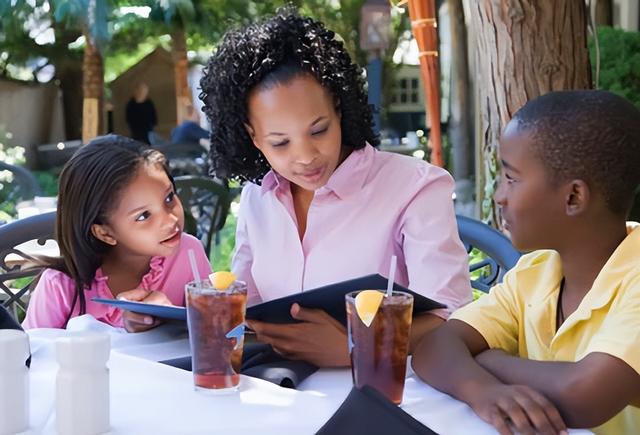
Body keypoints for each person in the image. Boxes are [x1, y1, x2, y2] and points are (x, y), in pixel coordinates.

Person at [199, 8, 472, 368]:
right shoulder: (258, 196)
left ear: (339, 109)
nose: (306, 157)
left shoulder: (414, 189)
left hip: (382, 394)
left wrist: (360, 345)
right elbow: (248, 306)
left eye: (319, 130)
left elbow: (455, 319)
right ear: (253, 137)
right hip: (279, 393)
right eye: (280, 142)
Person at [412, 90, 640, 435]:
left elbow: (584, 395)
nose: (499, 195)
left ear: (573, 197)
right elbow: (433, 347)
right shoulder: (537, 272)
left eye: (512, 179)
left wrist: (487, 360)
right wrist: (483, 391)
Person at [22, 135, 211, 332]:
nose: (171, 220)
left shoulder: (188, 252)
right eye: (143, 216)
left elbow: (217, 331)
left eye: (169, 197)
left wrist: (172, 320)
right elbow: (29, 354)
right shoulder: (60, 287)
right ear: (105, 233)